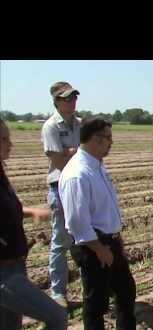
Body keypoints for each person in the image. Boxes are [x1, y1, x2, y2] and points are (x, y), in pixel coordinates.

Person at [0, 119, 73, 330]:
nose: (10, 143)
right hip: (4, 274)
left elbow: (9, 211)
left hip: (16, 267)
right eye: (4, 139)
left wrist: (30, 212)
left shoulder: (1, 175)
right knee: (56, 316)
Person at [59, 118, 143, 330]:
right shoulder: (77, 174)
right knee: (96, 304)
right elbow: (76, 221)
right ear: (94, 139)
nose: (111, 142)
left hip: (109, 241)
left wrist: (117, 239)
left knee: (126, 292)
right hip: (92, 245)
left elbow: (104, 210)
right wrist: (99, 248)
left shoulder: (97, 166)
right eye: (107, 137)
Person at [41, 81, 81, 309]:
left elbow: (91, 154)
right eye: (67, 97)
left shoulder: (81, 124)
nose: (73, 100)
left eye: (74, 96)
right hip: (60, 187)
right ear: (57, 101)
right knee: (60, 241)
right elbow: (57, 160)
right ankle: (58, 293)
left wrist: (72, 153)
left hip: (80, 187)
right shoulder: (50, 127)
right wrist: (76, 153)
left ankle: (92, 288)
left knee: (84, 237)